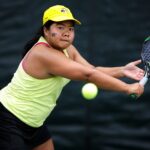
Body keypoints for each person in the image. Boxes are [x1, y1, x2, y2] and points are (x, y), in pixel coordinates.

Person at [0, 4, 144, 150]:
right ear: (46, 30)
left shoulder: (68, 49)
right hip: (8, 118)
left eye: (70, 28)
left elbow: (92, 69)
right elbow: (88, 75)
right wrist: (126, 88)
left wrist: (122, 70)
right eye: (60, 27)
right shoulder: (42, 54)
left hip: (34, 122)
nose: (67, 33)